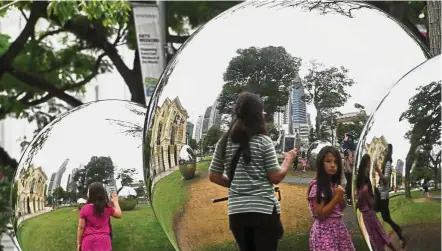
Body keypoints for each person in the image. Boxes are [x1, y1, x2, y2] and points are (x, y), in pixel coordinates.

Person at [208, 92, 297, 251]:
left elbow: (214, 175)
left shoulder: (223, 141)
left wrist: (234, 183)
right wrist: (288, 159)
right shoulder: (263, 141)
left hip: (236, 213)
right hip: (263, 211)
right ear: (258, 114)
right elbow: (275, 177)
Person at [307, 146, 355, 251]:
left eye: (336, 162)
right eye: (328, 161)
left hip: (338, 229)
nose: (333, 165)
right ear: (320, 163)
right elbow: (320, 215)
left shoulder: (333, 185)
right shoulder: (318, 186)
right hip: (325, 231)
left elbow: (339, 208)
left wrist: (341, 200)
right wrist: (336, 198)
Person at [356, 154, 396, 251]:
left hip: (370, 213)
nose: (369, 166)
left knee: (380, 234)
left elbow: (370, 200)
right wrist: (363, 196)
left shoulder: (366, 180)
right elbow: (361, 201)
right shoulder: (362, 180)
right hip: (367, 215)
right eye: (368, 164)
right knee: (375, 237)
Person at [77, 182, 122, 251]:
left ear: (91, 193)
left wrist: (79, 243)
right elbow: (119, 214)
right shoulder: (107, 208)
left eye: (88, 191)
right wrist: (115, 202)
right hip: (104, 243)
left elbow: (81, 227)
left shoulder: (84, 208)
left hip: (88, 243)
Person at [375, 144, 405, 248]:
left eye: (384, 150)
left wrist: (378, 171)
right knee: (383, 216)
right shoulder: (385, 162)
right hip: (380, 193)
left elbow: (386, 180)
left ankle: (400, 236)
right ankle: (395, 231)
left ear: (388, 151)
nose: (382, 151)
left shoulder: (387, 163)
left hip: (383, 195)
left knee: (386, 217)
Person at [342, 132, 356, 206]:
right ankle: (348, 197)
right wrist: (345, 140)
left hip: (352, 167)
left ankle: (348, 196)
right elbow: (344, 151)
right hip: (347, 167)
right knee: (349, 182)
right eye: (348, 137)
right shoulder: (345, 146)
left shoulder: (353, 146)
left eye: (350, 137)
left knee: (350, 182)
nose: (349, 139)